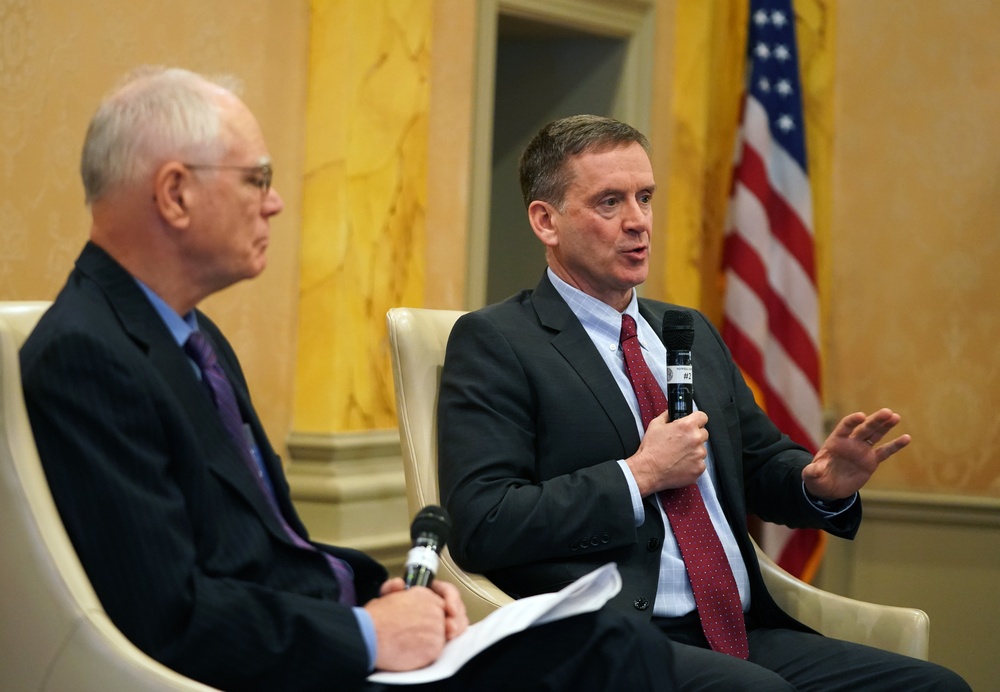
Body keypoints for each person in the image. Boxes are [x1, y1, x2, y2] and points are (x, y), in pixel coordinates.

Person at [20, 69, 680, 691]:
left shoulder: (188, 332)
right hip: (266, 668)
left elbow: (273, 543)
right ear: (175, 193)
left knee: (616, 643)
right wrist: (366, 633)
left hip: (312, 631)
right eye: (256, 178)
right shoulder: (88, 353)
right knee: (619, 657)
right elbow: (169, 616)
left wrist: (379, 591)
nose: (274, 203)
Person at [437, 114, 970, 690]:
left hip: (740, 628)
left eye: (645, 198)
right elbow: (483, 521)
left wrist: (819, 484)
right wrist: (637, 475)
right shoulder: (497, 341)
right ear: (546, 220)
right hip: (610, 638)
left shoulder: (684, 330)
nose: (639, 222)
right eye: (610, 203)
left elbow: (761, 464)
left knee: (936, 686)